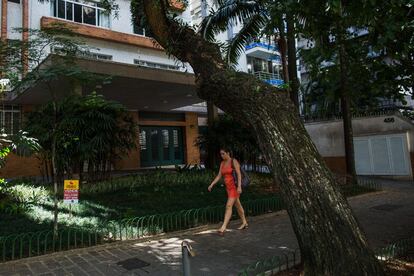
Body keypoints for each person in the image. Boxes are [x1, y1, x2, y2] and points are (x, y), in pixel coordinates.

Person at [208, 148, 248, 235]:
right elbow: (219, 176)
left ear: (228, 153)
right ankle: (244, 222)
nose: (221, 156)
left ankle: (223, 227)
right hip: (228, 188)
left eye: (223, 154)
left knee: (229, 205)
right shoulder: (222, 163)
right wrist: (212, 184)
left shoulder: (233, 161)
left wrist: (239, 187)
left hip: (234, 187)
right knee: (238, 205)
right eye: (221, 154)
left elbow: (239, 174)